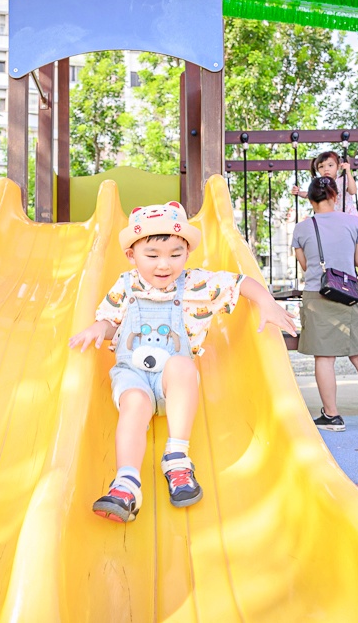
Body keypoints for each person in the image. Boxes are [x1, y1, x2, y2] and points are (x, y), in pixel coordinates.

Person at [68, 201, 297, 523]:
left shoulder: (196, 284)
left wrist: (267, 303)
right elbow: (113, 322)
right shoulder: (125, 285)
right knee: (134, 404)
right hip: (132, 374)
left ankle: (177, 459)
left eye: (175, 255)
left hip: (172, 383)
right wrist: (98, 328)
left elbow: (239, 283)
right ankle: (126, 483)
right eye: (152, 256)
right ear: (132, 255)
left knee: (182, 365)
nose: (164, 265)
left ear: (187, 253)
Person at [291, 176, 358, 432]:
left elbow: (305, 267)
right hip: (347, 294)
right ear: (335, 196)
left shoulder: (302, 228)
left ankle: (332, 416)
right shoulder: (353, 222)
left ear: (311, 200)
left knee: (324, 359)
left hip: (317, 294)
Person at [291, 150, 358, 216]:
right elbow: (311, 195)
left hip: (348, 215)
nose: (326, 169)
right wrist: (299, 193)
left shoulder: (342, 179)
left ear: (338, 166)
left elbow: (352, 191)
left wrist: (348, 172)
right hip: (334, 219)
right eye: (321, 166)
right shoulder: (321, 184)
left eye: (330, 165)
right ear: (317, 169)